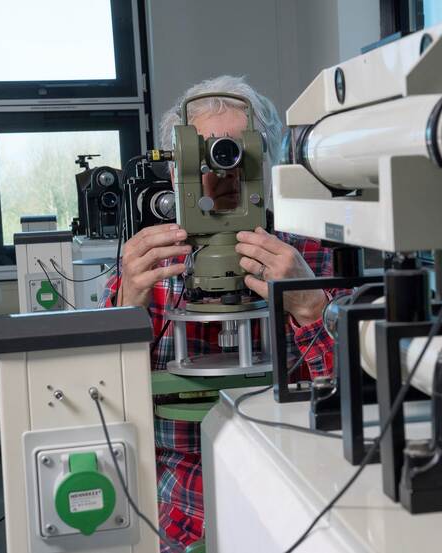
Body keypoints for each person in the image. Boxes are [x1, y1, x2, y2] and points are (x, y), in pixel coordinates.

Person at [101, 75, 338, 551]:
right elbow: (103, 401)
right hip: (182, 501)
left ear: (265, 163)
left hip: (295, 483)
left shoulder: (310, 259)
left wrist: (312, 306)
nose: (224, 169)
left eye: (236, 152)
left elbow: (359, 398)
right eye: (206, 153)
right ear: (177, 169)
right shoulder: (146, 267)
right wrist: (126, 308)